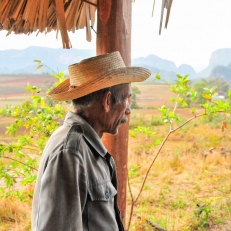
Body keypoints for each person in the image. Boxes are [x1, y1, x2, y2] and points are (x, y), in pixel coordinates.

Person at [32, 51, 151, 231]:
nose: (128, 110)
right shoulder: (70, 151)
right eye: (127, 99)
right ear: (107, 100)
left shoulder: (84, 145)